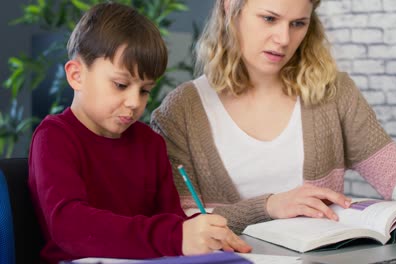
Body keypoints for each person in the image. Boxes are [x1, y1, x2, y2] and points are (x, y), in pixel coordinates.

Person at [151, 0, 396, 235]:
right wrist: (269, 206)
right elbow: (183, 221)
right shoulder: (181, 111)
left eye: (298, 24)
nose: (283, 39)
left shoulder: (333, 92)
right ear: (230, 8)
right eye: (269, 19)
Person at [28, 3, 251, 264]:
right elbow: (71, 227)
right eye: (121, 85)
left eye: (144, 90)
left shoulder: (150, 143)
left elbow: (171, 220)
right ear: (77, 75)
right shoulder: (55, 137)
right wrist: (175, 236)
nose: (135, 102)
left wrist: (200, 233)